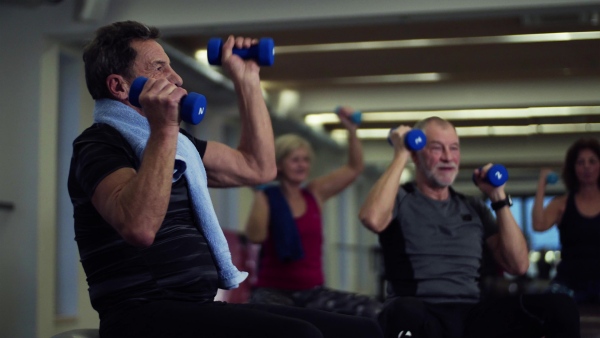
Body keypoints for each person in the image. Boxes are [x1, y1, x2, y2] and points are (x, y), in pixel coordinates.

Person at [68, 20, 382, 338]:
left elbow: (258, 167)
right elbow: (139, 227)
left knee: (362, 330)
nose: (176, 78)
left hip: (196, 306)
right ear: (120, 87)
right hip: (139, 313)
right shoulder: (98, 145)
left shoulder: (180, 147)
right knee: (300, 335)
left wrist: (247, 80)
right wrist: (164, 129)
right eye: (159, 68)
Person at [358, 116, 580, 338]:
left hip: (471, 313)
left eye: (454, 148)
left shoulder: (473, 206)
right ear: (416, 153)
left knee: (560, 307)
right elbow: (372, 219)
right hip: (421, 312)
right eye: (437, 148)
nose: (448, 157)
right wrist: (401, 153)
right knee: (403, 311)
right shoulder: (400, 199)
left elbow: (519, 265)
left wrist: (497, 197)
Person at [244, 108, 382, 318]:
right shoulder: (268, 196)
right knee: (272, 322)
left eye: (305, 159)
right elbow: (255, 236)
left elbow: (354, 168)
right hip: (273, 292)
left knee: (373, 310)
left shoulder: (314, 193)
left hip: (313, 292)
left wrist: (352, 131)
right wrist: (258, 194)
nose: (302, 165)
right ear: (280, 164)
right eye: (295, 160)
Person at [532, 137, 600, 304]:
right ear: (573, 168)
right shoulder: (562, 203)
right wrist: (542, 183)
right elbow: (538, 225)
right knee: (551, 304)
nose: (587, 167)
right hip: (569, 281)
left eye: (592, 161)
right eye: (580, 162)